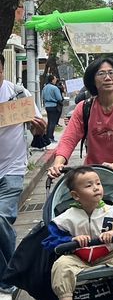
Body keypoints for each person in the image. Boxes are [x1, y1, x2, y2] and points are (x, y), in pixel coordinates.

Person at [48, 58, 113, 216]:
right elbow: (68, 139)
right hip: (92, 178)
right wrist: (58, 163)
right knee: (92, 223)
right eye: (102, 74)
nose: (108, 77)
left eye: (111, 73)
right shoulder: (84, 108)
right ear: (92, 79)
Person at [42, 166, 113, 300]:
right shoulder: (66, 218)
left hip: (109, 254)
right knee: (61, 265)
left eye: (98, 183)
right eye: (89, 185)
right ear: (75, 195)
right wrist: (72, 240)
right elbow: (51, 240)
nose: (96, 188)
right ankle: (65, 297)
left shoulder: (112, 212)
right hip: (77, 257)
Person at [0, 54, 46, 296]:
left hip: (12, 169)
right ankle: (12, 271)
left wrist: (39, 126)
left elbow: (40, 125)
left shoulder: (17, 94)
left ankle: (7, 277)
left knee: (0, 219)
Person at [42, 74, 64, 143]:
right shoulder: (54, 88)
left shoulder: (44, 88)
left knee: (49, 121)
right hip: (54, 106)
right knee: (53, 123)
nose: (55, 80)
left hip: (47, 106)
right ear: (52, 80)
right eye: (54, 79)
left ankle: (48, 137)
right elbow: (59, 98)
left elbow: (42, 96)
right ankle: (51, 137)